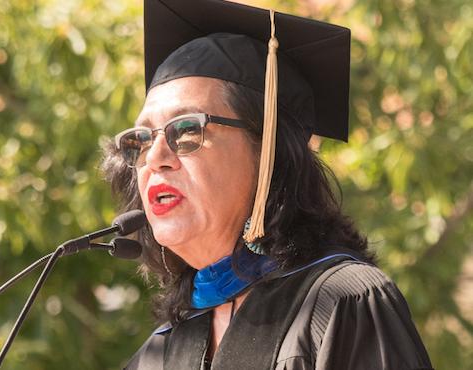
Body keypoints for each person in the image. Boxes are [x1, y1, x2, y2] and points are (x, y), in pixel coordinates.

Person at [103, 0, 433, 368]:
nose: (155, 156)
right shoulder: (157, 355)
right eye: (141, 140)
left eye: (186, 130)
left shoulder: (344, 303)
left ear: (268, 152)